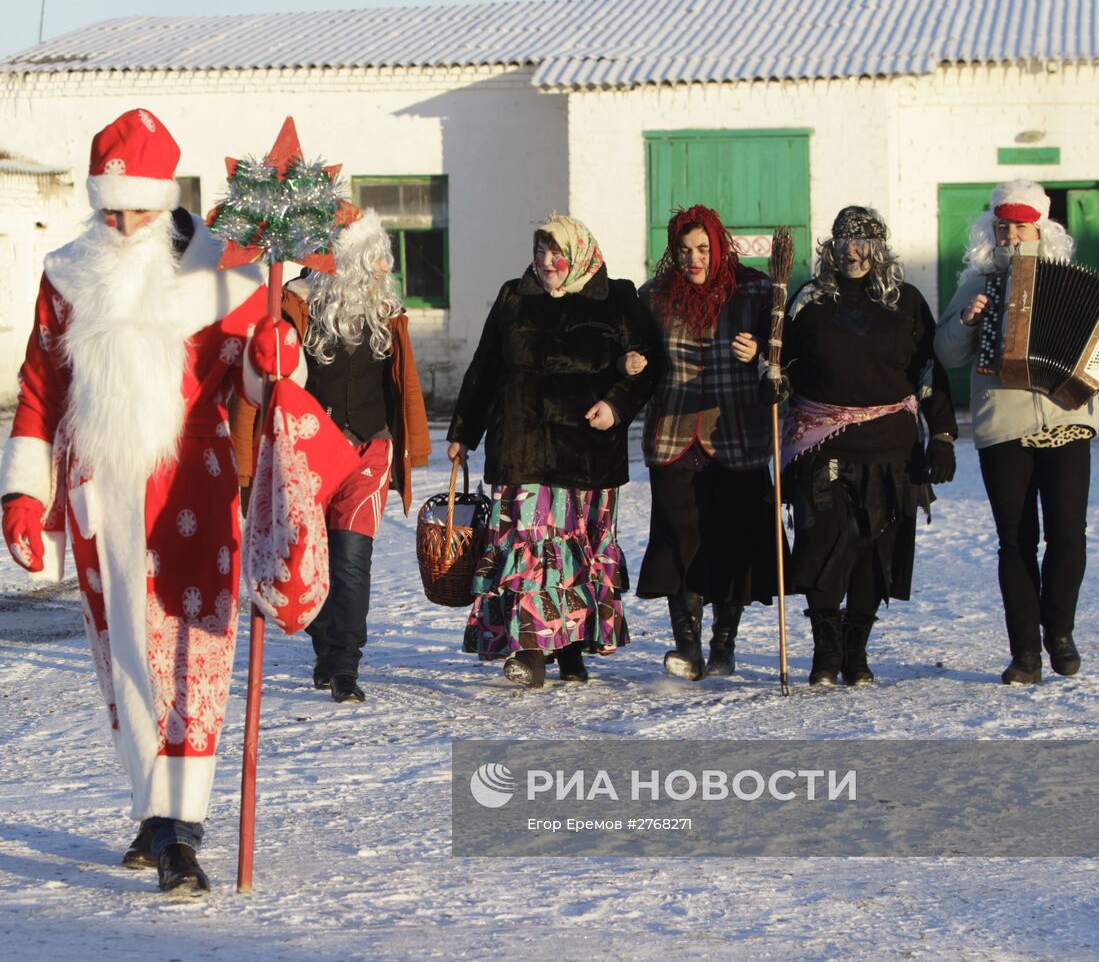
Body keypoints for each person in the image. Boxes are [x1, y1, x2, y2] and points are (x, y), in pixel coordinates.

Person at [0, 109, 278, 895]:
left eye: (137, 210)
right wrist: (25, 492)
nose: (121, 224)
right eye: (110, 209)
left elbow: (260, 388)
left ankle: (179, 830)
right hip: (103, 496)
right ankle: (157, 817)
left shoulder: (229, 275)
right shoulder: (65, 274)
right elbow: (40, 387)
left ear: (165, 199)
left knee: (196, 653)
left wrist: (268, 358)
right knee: (126, 660)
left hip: (195, 480)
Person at [934, 180, 1099, 684]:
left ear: (1040, 229)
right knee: (1015, 542)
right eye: (1001, 228)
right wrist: (967, 319)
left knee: (1069, 536)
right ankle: (1024, 653)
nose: (1009, 238)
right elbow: (946, 353)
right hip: (1003, 427)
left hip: (1068, 419)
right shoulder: (978, 284)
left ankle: (1060, 632)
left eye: (1019, 228)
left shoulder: (1072, 279)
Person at [446, 215, 659, 687]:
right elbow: (484, 366)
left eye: (555, 252)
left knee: (574, 555)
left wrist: (617, 401)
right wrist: (465, 430)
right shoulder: (514, 297)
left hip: (586, 450)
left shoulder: (617, 298)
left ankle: (571, 647)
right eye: (540, 251)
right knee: (525, 552)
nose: (546, 262)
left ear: (578, 252)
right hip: (521, 444)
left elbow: (649, 365)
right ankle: (530, 650)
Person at [230, 210, 431, 703]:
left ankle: (345, 665)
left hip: (370, 446)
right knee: (310, 552)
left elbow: (402, 385)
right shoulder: (293, 306)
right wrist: (246, 462)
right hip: (309, 448)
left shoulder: (388, 312)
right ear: (344, 261)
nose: (385, 265)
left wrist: (413, 444)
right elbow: (256, 383)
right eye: (375, 256)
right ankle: (325, 647)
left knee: (351, 559)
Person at [781, 206, 958, 686]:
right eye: (844, 242)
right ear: (830, 247)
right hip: (821, 445)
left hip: (890, 451)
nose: (853, 253)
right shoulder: (807, 302)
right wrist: (769, 380)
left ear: (880, 249)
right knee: (823, 543)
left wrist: (941, 434)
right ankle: (826, 651)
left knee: (873, 552)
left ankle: (855, 653)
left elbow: (928, 369)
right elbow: (782, 364)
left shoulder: (906, 302)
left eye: (864, 243)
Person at [632, 205, 785, 681]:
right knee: (681, 542)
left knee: (732, 542)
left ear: (718, 246)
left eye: (702, 249)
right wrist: (634, 364)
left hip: (736, 435)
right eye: (684, 251)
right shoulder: (654, 296)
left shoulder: (758, 291)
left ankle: (724, 643)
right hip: (675, 439)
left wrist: (760, 353)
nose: (694, 260)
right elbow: (642, 359)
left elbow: (784, 361)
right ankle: (688, 648)